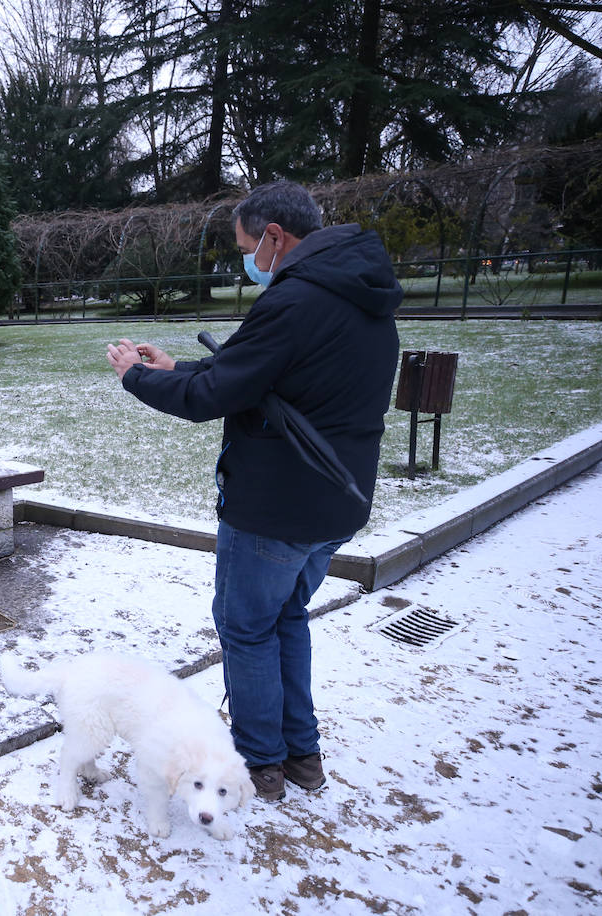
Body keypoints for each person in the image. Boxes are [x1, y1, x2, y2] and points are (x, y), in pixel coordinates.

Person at [105, 180, 402, 801]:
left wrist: (136, 377)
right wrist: (173, 368)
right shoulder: (359, 293)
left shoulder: (296, 301)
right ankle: (303, 756)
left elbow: (217, 394)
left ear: (274, 236)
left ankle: (262, 760)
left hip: (275, 505)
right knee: (285, 616)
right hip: (335, 501)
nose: (246, 261)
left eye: (246, 247)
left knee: (246, 627)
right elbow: (258, 375)